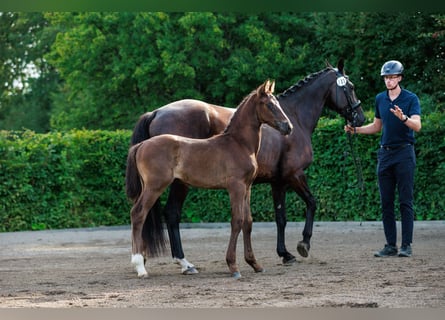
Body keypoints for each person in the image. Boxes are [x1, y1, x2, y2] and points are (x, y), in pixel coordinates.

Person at [345, 60, 422, 257]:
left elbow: (417, 126)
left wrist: (403, 118)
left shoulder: (411, 98)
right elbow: (376, 126)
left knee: (405, 201)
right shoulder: (380, 99)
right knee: (386, 201)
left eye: (392, 77)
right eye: (386, 78)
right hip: (385, 154)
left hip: (404, 153)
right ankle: (390, 245)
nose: (388, 81)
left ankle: (406, 245)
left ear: (399, 78)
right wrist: (356, 130)